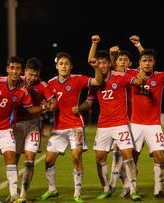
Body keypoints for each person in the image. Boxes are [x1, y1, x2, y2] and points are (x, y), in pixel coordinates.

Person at [77, 35, 145, 201]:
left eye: (104, 62)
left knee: (128, 155)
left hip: (121, 124)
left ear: (109, 63)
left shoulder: (120, 77)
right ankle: (106, 188)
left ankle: (134, 189)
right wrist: (78, 108)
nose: (101, 65)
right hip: (103, 126)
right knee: (99, 158)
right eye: (98, 63)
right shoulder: (96, 83)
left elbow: (140, 80)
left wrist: (140, 75)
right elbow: (89, 103)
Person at [0, 56, 48, 203]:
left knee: (11, 159)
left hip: (5, 128)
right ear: (7, 69)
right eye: (12, 68)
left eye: (17, 68)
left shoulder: (22, 91)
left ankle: (14, 196)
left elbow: (30, 109)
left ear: (21, 72)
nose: (14, 71)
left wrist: (44, 107)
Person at [39, 51, 103, 203]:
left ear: (71, 66)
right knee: (48, 161)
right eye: (61, 64)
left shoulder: (78, 79)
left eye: (66, 64)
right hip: (58, 127)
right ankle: (52, 189)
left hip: (75, 125)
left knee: (76, 156)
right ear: (56, 66)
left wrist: (96, 68)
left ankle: (77, 194)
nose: (64, 66)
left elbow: (98, 81)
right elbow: (47, 104)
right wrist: (46, 106)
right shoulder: (51, 82)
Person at [129, 47, 164, 199]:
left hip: (154, 125)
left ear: (154, 63)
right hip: (135, 124)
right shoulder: (131, 75)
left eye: (150, 60)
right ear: (139, 62)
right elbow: (114, 68)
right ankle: (131, 189)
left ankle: (158, 191)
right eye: (144, 60)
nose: (147, 63)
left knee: (159, 156)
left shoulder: (160, 77)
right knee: (132, 158)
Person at [12, 57, 56, 202]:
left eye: (36, 75)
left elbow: (53, 102)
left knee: (29, 160)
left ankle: (24, 194)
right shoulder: (17, 80)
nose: (33, 78)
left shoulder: (43, 85)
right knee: (13, 161)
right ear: (25, 72)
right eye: (30, 74)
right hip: (16, 125)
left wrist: (51, 105)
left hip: (33, 125)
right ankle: (13, 192)